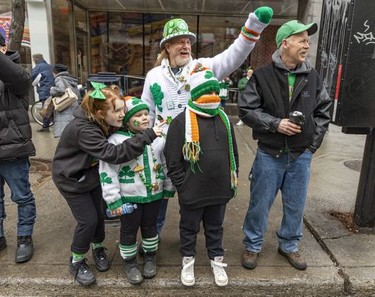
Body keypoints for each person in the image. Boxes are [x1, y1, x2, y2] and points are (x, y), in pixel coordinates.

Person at [142, 6, 273, 238]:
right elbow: (147, 113)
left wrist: (253, 26)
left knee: (191, 201)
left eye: (188, 41)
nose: (185, 46)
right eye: (178, 41)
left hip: (196, 149)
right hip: (163, 149)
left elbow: (234, 55)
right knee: (156, 201)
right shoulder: (153, 76)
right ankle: (152, 242)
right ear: (167, 46)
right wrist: (143, 142)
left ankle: (189, 246)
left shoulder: (202, 67)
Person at [238, 20, 332, 271]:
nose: (306, 44)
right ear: (285, 43)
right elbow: (246, 109)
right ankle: (253, 244)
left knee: (295, 204)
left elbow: (324, 111)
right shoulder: (261, 75)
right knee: (260, 203)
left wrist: (312, 146)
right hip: (269, 154)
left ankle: (289, 245)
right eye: (301, 39)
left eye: (307, 40)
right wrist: (275, 124)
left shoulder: (313, 76)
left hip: (301, 155)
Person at [52, 82, 163, 286]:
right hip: (72, 179)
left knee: (99, 215)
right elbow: (113, 154)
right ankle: (76, 261)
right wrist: (147, 136)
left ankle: (98, 247)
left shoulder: (103, 122)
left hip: (90, 174)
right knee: (88, 220)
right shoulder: (84, 129)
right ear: (100, 113)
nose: (123, 113)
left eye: (123, 109)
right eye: (118, 110)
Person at [164, 65, 239, 287]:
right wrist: (183, 186)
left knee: (215, 227)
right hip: (193, 191)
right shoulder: (180, 122)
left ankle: (216, 260)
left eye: (216, 92)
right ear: (196, 94)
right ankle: (188, 261)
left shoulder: (224, 119)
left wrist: (231, 179)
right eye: (209, 92)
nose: (214, 97)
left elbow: (233, 152)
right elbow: (173, 160)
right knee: (189, 228)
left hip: (219, 189)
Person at [99, 97, 174, 285]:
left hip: (153, 195)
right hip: (129, 198)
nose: (145, 118)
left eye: (147, 114)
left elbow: (164, 163)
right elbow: (108, 172)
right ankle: (130, 262)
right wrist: (113, 199)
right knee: (129, 230)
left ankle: (150, 257)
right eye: (138, 115)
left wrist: (168, 186)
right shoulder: (116, 141)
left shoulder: (158, 138)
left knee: (150, 227)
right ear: (127, 120)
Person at [0, 33, 36, 263]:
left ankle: (24, 237)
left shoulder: (16, 72)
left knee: (21, 196)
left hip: (12, 149)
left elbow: (20, 80)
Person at [50, 63, 81, 138]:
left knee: (63, 127)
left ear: (55, 71)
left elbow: (61, 89)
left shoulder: (59, 78)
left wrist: (52, 89)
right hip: (72, 103)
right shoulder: (70, 78)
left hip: (64, 105)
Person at [31, 53, 54, 132]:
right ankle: (52, 122)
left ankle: (45, 127)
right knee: (52, 107)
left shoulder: (38, 67)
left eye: (33, 59)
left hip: (45, 90)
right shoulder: (50, 66)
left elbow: (32, 78)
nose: (33, 61)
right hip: (53, 89)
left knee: (45, 108)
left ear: (37, 59)